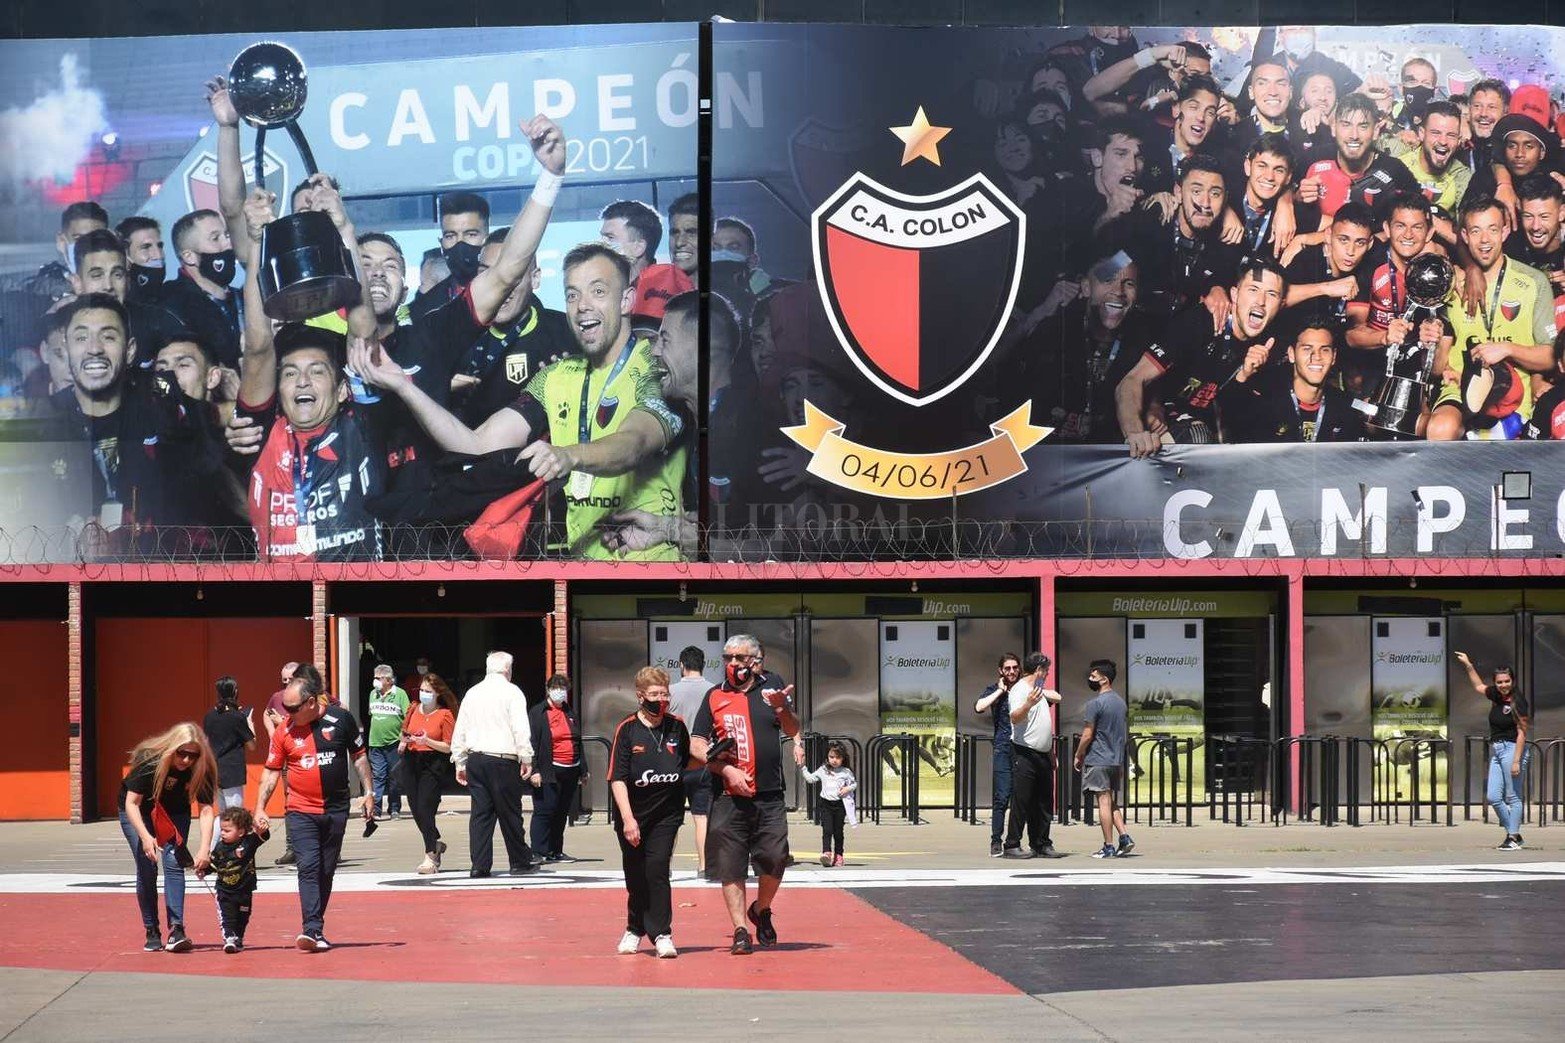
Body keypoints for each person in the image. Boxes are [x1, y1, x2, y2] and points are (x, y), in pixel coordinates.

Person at [350, 242, 688, 560]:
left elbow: (634, 443)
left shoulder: (657, 367)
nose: (583, 305)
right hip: (583, 566)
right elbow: (475, 444)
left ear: (627, 300)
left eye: (598, 292)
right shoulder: (557, 376)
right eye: (573, 294)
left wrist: (568, 455)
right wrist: (406, 387)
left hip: (653, 565)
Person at [691, 633, 801, 955]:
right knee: (731, 865)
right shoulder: (714, 695)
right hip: (727, 796)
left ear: (755, 660)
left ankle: (761, 909)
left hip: (769, 794)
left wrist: (782, 710)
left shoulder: (773, 685)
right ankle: (740, 929)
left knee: (775, 858)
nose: (733, 664)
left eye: (739, 658)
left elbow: (793, 730)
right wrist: (725, 769)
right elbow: (697, 743)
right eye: (728, 658)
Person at [1115, 259, 1287, 456]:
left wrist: (1244, 377)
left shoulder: (1270, 348)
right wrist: (1136, 434)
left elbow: (1231, 418)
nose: (1261, 301)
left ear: (1281, 305)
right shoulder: (1201, 322)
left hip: (1210, 432)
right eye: (1253, 289)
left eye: (1271, 294)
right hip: (1164, 424)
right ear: (1235, 294)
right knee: (1197, 435)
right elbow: (1131, 381)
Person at [255, 669, 372, 952]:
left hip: (336, 809)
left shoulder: (340, 719)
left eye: (293, 708)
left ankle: (315, 925)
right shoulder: (284, 730)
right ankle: (311, 929)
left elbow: (359, 757)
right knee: (308, 866)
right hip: (300, 809)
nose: (288, 713)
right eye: (286, 708)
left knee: (326, 870)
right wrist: (259, 807)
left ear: (310, 702)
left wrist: (369, 792)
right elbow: (271, 772)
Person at [1428, 196, 1555, 440]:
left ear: (1505, 231)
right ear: (1464, 236)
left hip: (1513, 394)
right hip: (1461, 389)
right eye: (1476, 231)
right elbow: (1436, 366)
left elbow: (1551, 357)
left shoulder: (1533, 281)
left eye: (1493, 229)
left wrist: (1506, 349)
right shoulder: (1450, 282)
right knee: (1441, 428)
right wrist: (1443, 366)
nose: (1485, 240)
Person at [609, 666, 694, 959]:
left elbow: (688, 761)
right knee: (636, 874)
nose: (661, 699)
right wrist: (628, 819)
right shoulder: (627, 729)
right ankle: (634, 928)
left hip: (666, 814)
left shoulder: (677, 727)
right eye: (655, 694)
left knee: (657, 870)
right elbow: (617, 778)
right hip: (633, 813)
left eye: (665, 694)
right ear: (640, 696)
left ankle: (662, 933)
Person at [118, 723, 217, 953]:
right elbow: (131, 803)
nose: (186, 760)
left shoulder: (202, 768)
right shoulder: (150, 762)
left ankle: (177, 929)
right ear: (172, 748)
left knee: (174, 862)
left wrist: (205, 849)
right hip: (139, 811)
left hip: (174, 813)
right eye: (181, 753)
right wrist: (145, 836)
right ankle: (152, 929)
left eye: (193, 755)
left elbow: (205, 810)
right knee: (147, 864)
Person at [449, 650, 536, 878]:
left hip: (476, 758)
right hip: (502, 759)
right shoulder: (512, 692)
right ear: (507, 669)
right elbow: (520, 727)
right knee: (509, 812)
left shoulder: (473, 693)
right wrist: (526, 757)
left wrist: (459, 761)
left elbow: (461, 728)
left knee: (480, 814)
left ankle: (479, 864)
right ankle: (519, 861)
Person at [1219, 317, 1366, 443]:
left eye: (1325, 349)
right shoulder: (1267, 400)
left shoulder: (1343, 405)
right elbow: (1226, 415)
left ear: (1333, 357)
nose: (1317, 356)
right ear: (1291, 354)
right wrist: (1244, 374)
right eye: (1307, 349)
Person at [1454, 652, 1532, 850]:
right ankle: (1514, 833)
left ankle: (1512, 838)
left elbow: (1522, 732)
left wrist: (1516, 760)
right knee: (1493, 797)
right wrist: (1469, 665)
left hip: (1513, 748)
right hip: (1497, 749)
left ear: (1512, 681)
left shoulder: (1518, 701)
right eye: (1499, 682)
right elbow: (1479, 687)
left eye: (1506, 681)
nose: (1503, 685)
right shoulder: (1497, 696)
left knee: (1512, 797)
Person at [1002, 652, 1063, 860]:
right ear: (1038, 670)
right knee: (1022, 799)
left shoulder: (1038, 691)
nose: (1046, 674)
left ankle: (1041, 843)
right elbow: (1015, 718)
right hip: (1024, 752)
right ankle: (1011, 844)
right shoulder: (1020, 690)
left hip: (1043, 753)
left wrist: (1050, 753)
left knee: (1044, 800)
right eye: (1045, 670)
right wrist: (1028, 703)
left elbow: (1044, 720)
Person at [1073, 659, 1133, 859]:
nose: (1090, 678)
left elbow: (1088, 734)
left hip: (1098, 758)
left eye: (1093, 676)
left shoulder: (1095, 704)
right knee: (1111, 801)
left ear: (1104, 679)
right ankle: (1124, 836)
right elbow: (1121, 734)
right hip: (1115, 760)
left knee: (1104, 803)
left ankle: (1108, 846)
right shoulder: (1120, 703)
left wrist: (1079, 754)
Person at [402, 670, 457, 874]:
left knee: (426, 807)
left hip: (433, 763)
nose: (424, 694)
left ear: (437, 694)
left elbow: (448, 746)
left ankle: (430, 854)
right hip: (411, 760)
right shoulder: (413, 708)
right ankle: (435, 842)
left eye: (428, 691)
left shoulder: (445, 715)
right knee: (416, 808)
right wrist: (405, 741)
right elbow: (404, 731)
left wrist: (428, 741)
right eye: (422, 690)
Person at [527, 673, 586, 863]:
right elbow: (533, 743)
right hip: (548, 770)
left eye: (563, 689)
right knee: (545, 810)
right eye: (556, 688)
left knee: (561, 812)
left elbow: (577, 741)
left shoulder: (570, 712)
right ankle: (538, 851)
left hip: (570, 769)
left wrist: (583, 769)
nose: (560, 692)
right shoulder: (538, 712)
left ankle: (555, 850)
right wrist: (534, 770)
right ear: (548, 690)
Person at [667, 645, 715, 876]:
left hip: (674, 763)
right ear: (703, 664)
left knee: (670, 818)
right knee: (702, 817)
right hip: (704, 762)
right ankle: (704, 866)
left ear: (681, 665)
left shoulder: (670, 692)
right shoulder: (714, 691)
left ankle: (664, 866)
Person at [200, 806, 269, 953]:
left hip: (245, 889)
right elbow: (213, 863)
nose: (223, 834)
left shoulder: (249, 842)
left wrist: (261, 829)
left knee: (243, 916)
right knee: (228, 916)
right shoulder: (219, 847)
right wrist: (204, 871)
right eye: (222, 830)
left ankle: (238, 937)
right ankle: (229, 937)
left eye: (227, 831)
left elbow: (264, 836)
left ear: (241, 832)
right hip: (225, 891)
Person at [974, 653, 1021, 857]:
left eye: (1015, 668)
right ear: (1001, 671)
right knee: (1001, 797)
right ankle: (996, 841)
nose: (1011, 671)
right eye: (1008, 668)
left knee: (1021, 798)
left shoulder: (1024, 689)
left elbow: (1054, 697)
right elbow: (979, 707)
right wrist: (1000, 692)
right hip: (1002, 746)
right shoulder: (994, 690)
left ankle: (1016, 841)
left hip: (1022, 747)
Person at [200, 675, 255, 824]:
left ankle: (216, 846)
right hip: (232, 770)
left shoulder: (209, 716)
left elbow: (205, 742)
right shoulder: (237, 717)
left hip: (215, 770)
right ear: (235, 691)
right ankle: (228, 846)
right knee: (235, 815)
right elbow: (252, 745)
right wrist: (249, 721)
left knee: (222, 815)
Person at [265, 660, 301, 866]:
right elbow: (266, 713)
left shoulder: (310, 696)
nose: (287, 684)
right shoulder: (277, 698)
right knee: (290, 802)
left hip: (308, 756)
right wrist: (273, 732)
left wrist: (283, 723)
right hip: (288, 760)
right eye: (284, 680)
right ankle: (291, 848)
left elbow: (339, 707)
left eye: (291, 679)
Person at [801, 741, 856, 867]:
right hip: (825, 804)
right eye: (831, 757)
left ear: (843, 758)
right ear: (827, 757)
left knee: (838, 831)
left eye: (838, 757)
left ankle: (839, 855)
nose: (834, 760)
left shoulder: (846, 772)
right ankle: (826, 853)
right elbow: (810, 779)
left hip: (839, 805)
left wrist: (848, 789)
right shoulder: (823, 770)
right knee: (827, 829)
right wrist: (803, 767)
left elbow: (854, 784)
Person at [366, 664, 409, 819]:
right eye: (374, 677)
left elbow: (408, 718)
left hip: (394, 744)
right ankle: (376, 810)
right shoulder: (373, 694)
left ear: (389, 680)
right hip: (376, 743)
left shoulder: (400, 695)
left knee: (395, 777)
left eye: (379, 678)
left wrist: (404, 739)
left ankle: (395, 808)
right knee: (378, 776)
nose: (375, 681)